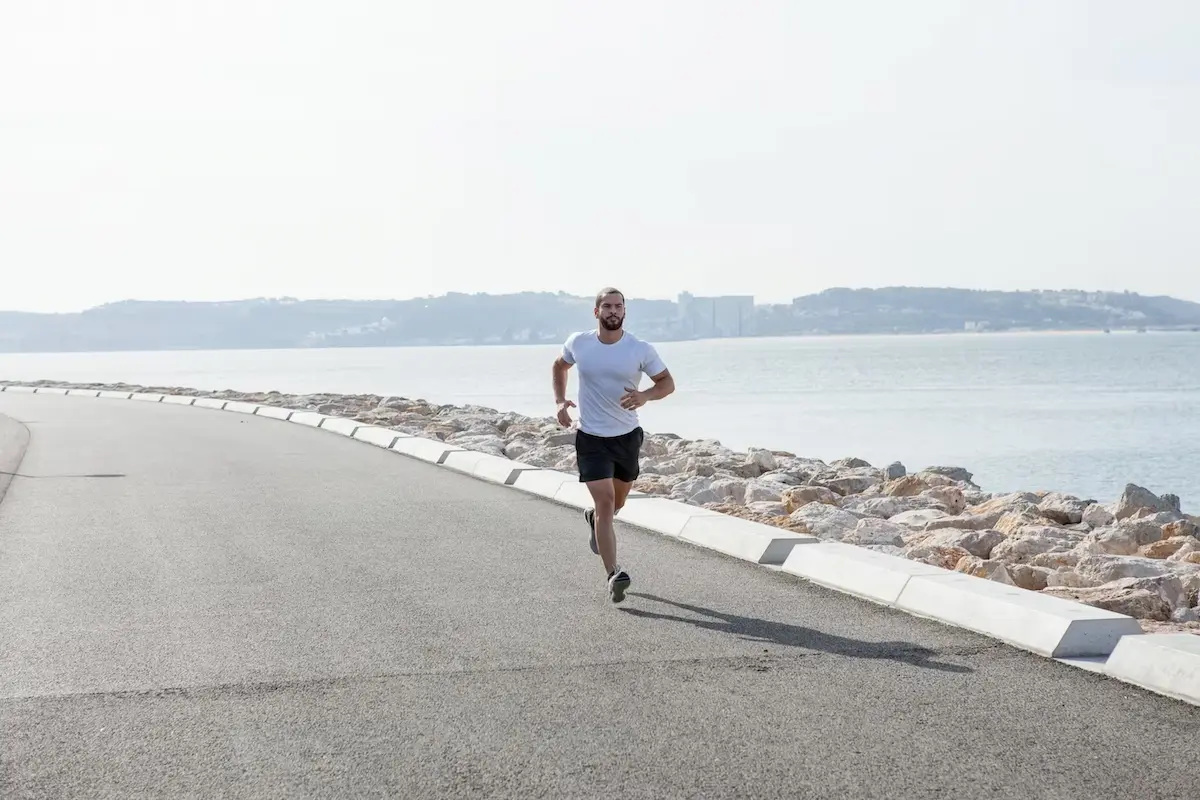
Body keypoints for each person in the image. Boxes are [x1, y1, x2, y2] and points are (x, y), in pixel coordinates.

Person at [552, 287, 675, 602]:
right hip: (591, 438)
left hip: (626, 438)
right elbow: (559, 366)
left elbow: (667, 383)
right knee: (606, 503)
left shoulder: (639, 348)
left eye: (618, 306)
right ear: (596, 312)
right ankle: (613, 574)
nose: (612, 311)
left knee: (617, 504)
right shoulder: (579, 342)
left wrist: (644, 396)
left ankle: (593, 521)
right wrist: (560, 401)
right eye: (606, 306)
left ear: (624, 312)